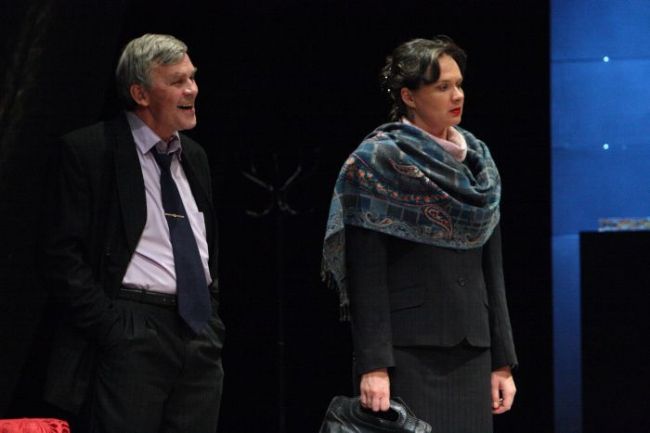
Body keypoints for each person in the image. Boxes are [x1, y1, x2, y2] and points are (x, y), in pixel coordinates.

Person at [322, 36, 517, 433]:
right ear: (409, 96)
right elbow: (366, 275)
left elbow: (492, 270)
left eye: (458, 84)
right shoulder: (375, 161)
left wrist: (503, 361)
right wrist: (374, 366)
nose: (456, 95)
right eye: (442, 86)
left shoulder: (479, 166)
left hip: (473, 351)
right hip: (408, 354)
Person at [43, 34, 224, 433]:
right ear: (140, 93)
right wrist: (114, 328)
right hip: (131, 327)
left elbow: (205, 243)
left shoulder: (194, 156)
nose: (192, 89)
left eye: (192, 77)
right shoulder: (90, 150)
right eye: (177, 81)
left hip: (196, 328)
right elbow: (62, 256)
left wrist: (211, 316)